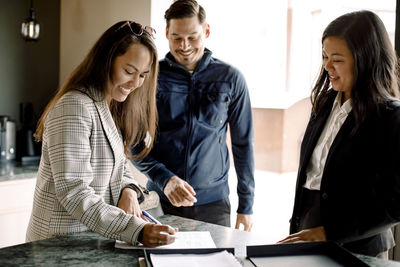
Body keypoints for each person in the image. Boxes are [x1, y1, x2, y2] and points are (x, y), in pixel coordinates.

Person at [26, 20, 176, 247]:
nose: (136, 83)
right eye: (129, 71)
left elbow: (121, 168)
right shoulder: (75, 106)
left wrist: (129, 191)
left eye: (143, 75)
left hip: (88, 243)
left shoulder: (108, 106)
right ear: (106, 60)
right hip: (58, 246)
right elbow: (74, 192)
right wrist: (136, 230)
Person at [278, 10, 400, 258]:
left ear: (365, 59)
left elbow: (395, 204)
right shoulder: (323, 103)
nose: (327, 66)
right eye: (324, 56)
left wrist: (329, 232)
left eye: (337, 59)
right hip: (307, 231)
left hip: (358, 244)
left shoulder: (390, 116)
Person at [132, 0, 255, 231]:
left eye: (193, 37)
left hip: (214, 205)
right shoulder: (149, 77)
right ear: (167, 33)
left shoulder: (231, 78)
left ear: (206, 31)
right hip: (160, 201)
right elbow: (132, 144)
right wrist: (165, 179)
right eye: (177, 37)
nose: (184, 45)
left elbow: (243, 145)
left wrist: (246, 207)